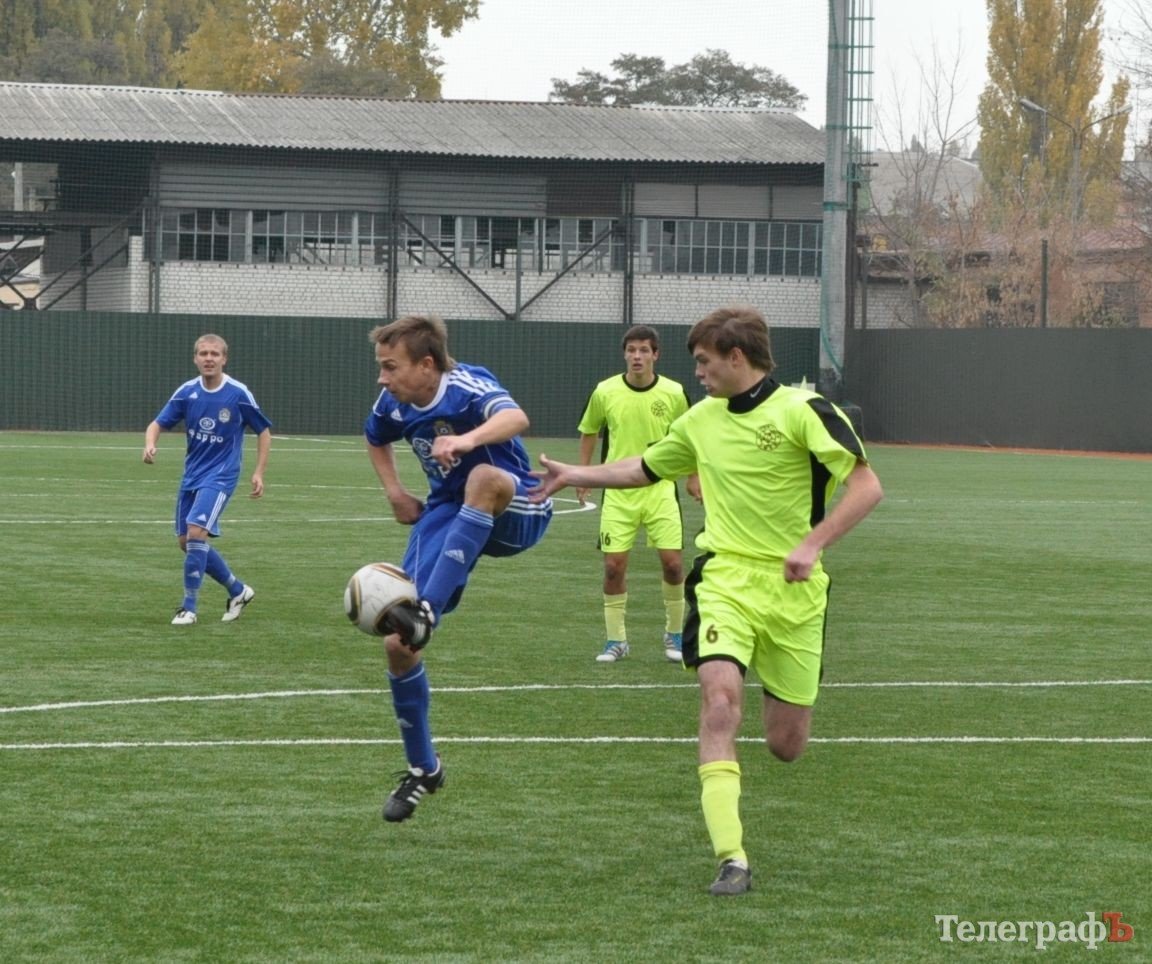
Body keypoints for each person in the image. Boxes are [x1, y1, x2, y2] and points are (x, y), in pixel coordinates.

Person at [531, 305, 883, 896]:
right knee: (719, 702)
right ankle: (732, 858)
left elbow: (867, 487)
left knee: (786, 745)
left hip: (795, 592)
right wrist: (576, 474)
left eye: (703, 361)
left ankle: (747, 813)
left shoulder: (803, 411)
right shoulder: (699, 421)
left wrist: (813, 544)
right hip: (723, 579)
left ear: (736, 358)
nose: (697, 372)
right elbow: (645, 468)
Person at [363, 314, 553, 823]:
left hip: (516, 504)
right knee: (397, 642)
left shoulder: (466, 385)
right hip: (448, 510)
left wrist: (466, 441)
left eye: (390, 367)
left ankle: (426, 607)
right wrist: (395, 491)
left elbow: (515, 418)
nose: (383, 378)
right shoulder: (394, 401)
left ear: (427, 365)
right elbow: (374, 437)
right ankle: (424, 768)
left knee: (486, 476)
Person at [576, 325, 698, 664]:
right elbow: (589, 431)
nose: (637, 356)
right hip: (618, 491)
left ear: (656, 354)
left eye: (644, 350)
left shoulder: (674, 393)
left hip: (660, 490)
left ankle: (674, 635)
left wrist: (694, 476)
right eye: (631, 350)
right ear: (624, 354)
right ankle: (616, 641)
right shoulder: (605, 391)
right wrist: (583, 473)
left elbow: (691, 436)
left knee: (674, 566)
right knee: (614, 567)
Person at [143, 333, 272, 626]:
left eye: (215, 354)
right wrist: (150, 444)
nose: (209, 358)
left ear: (224, 359)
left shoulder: (238, 393)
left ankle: (188, 608)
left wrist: (258, 471)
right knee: (185, 542)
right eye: (203, 353)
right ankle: (238, 591)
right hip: (192, 475)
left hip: (222, 475)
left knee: (196, 533)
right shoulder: (187, 392)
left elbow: (263, 431)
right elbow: (157, 423)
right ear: (195, 358)